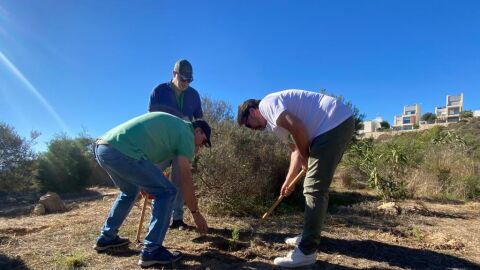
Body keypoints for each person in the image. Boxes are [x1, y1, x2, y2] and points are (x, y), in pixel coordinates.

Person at [237, 89, 354, 268]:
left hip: (331, 124)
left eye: (248, 124)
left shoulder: (267, 104)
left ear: (252, 111)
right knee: (314, 186)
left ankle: (307, 251)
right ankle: (308, 235)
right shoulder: (273, 123)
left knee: (314, 189)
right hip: (334, 125)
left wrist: (307, 158)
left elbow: (298, 128)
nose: (252, 129)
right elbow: (296, 149)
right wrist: (288, 180)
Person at [93, 112, 211, 267]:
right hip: (123, 151)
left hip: (103, 148)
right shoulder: (187, 134)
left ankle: (106, 238)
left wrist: (147, 182)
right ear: (198, 131)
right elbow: (186, 179)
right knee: (167, 192)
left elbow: (149, 158)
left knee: (130, 192)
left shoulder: (175, 128)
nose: (200, 147)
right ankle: (152, 250)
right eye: (203, 142)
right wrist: (196, 213)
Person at [148, 59, 203, 230]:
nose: (186, 83)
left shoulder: (194, 95)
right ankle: (158, 216)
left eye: (189, 80)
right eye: (183, 79)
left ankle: (177, 219)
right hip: (161, 145)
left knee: (179, 181)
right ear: (174, 74)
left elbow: (199, 120)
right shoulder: (159, 91)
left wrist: (198, 139)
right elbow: (150, 119)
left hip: (182, 146)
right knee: (154, 178)